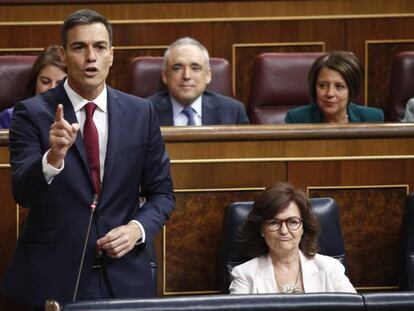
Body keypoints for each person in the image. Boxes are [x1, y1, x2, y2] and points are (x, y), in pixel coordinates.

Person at [1, 9, 175, 309]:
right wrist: (53, 158)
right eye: (80, 47)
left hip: (125, 274)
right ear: (63, 55)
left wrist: (137, 229)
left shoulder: (141, 112)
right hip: (53, 275)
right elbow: (22, 193)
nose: (90, 57)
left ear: (112, 54)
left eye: (100, 47)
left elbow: (163, 194)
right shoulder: (31, 113)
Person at [229, 182, 356, 294]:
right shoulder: (245, 275)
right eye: (274, 222)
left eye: (293, 222)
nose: (284, 231)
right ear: (262, 229)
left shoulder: (330, 268)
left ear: (303, 227)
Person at [147, 37, 249, 126]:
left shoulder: (233, 112)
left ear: (208, 75)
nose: (186, 76)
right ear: (165, 76)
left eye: (195, 68)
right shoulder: (145, 113)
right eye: (177, 68)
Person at [284, 51, 384, 123]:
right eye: (323, 85)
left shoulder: (372, 118)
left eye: (339, 87)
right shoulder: (296, 119)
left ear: (351, 89)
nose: (330, 93)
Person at [0, 45, 67, 129]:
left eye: (60, 84)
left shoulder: (81, 116)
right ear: (35, 82)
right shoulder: (10, 116)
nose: (52, 88)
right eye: (45, 82)